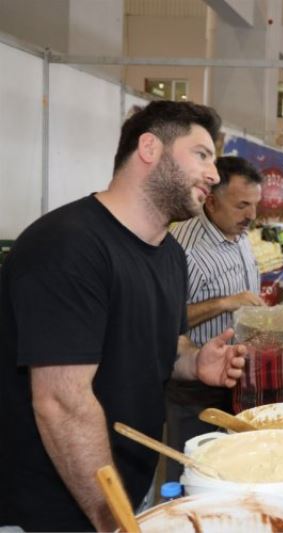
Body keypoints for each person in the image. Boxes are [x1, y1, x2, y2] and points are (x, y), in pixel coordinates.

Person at [0, 101, 247, 532]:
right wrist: (111, 518)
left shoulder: (170, 254)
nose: (214, 174)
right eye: (202, 155)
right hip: (50, 511)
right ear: (150, 148)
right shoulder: (67, 246)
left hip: (120, 494)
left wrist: (193, 361)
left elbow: (161, 343)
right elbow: (61, 401)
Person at [165, 155, 265, 482]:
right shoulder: (183, 249)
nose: (251, 215)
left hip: (234, 374)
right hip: (194, 384)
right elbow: (165, 320)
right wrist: (224, 303)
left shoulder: (239, 233)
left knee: (228, 470)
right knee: (193, 471)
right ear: (210, 201)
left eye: (254, 205)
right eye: (241, 206)